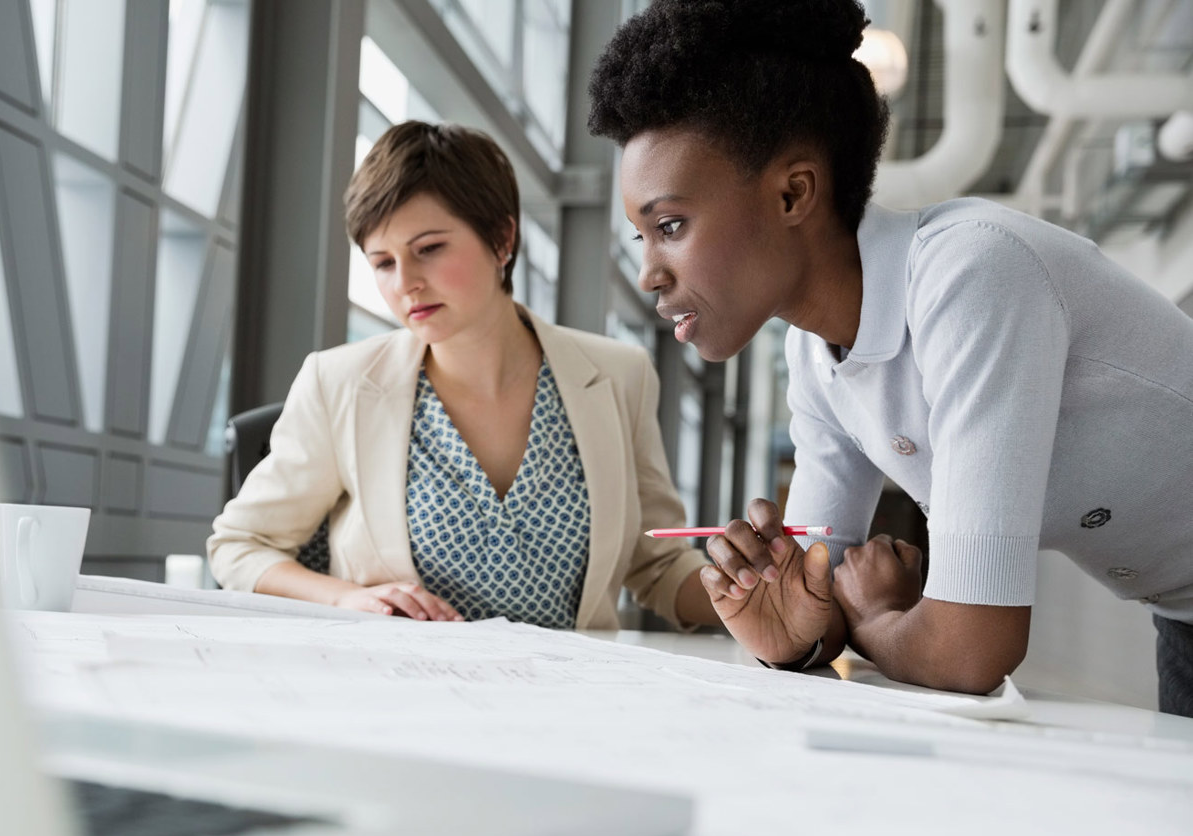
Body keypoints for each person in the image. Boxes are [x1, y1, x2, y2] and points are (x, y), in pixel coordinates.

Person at [586, 0, 1193, 714]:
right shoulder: (814, 359)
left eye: (670, 226)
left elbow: (972, 649)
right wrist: (789, 634)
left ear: (793, 192)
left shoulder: (971, 273)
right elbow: (819, 592)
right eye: (642, 237)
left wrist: (873, 622)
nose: (648, 274)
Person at [209, 121, 720, 630]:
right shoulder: (339, 383)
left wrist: (753, 593)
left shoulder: (618, 376)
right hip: (396, 692)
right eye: (383, 263)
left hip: (565, 699)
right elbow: (238, 546)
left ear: (502, 239)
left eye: (428, 249)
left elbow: (658, 563)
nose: (405, 283)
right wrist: (344, 599)